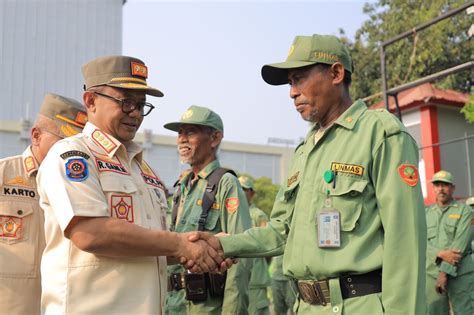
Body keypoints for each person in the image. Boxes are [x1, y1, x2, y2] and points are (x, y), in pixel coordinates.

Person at [189, 34, 427, 314]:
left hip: (357, 305)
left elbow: (405, 242)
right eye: (290, 83)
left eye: (299, 78)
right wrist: (221, 243)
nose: (292, 92)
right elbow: (279, 232)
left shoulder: (380, 133)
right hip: (306, 306)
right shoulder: (304, 151)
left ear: (336, 73)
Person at [36, 56, 227, 314]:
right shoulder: (74, 155)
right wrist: (181, 244)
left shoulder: (143, 169)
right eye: (125, 102)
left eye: (141, 105)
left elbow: (151, 245)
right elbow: (90, 232)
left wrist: (207, 245)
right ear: (91, 101)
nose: (135, 113)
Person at [0, 93, 86, 315]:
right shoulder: (4, 175)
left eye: (76, 143)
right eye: (63, 141)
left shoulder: (84, 185)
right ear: (36, 136)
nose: (70, 150)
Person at [164, 105, 252, 315]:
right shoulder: (182, 188)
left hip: (208, 308)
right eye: (180, 133)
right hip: (174, 305)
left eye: (191, 132)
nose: (182, 139)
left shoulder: (225, 183)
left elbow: (241, 255)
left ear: (214, 138)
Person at [425, 170, 474, 315]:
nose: (441, 188)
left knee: (464, 311)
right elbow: (421, 243)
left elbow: (461, 245)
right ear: (433, 188)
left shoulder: (465, 212)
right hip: (431, 274)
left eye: (445, 185)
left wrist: (443, 273)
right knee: (434, 311)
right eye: (437, 185)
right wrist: (439, 253)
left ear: (452, 188)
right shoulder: (426, 214)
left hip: (460, 273)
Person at [238, 175, 271, 315]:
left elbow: (269, 247)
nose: (241, 192)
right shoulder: (232, 214)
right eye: (238, 189)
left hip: (255, 281)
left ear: (252, 193)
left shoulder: (258, 215)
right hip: (236, 280)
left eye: (244, 189)